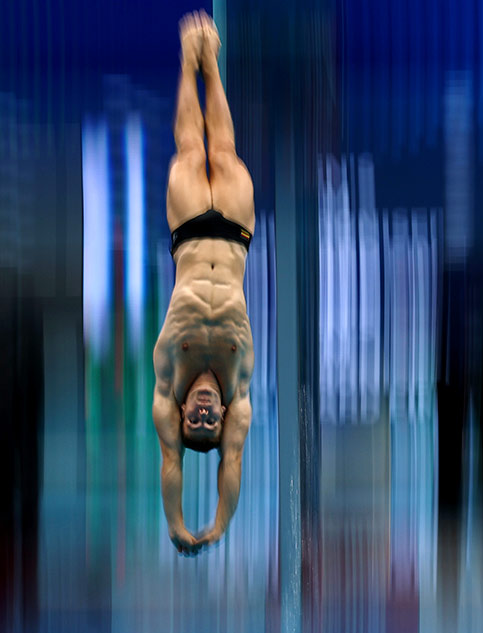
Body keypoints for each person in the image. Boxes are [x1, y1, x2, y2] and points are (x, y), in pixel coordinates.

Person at [153, 11, 255, 556]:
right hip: (235, 236)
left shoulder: (168, 384)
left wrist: (177, 523)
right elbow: (232, 460)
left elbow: (171, 460)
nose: (204, 412)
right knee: (226, 152)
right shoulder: (239, 393)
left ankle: (186, 60)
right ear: (222, 422)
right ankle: (209, 62)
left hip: (190, 236)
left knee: (192, 151)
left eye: (194, 419)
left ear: (180, 416)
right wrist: (219, 524)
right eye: (209, 423)